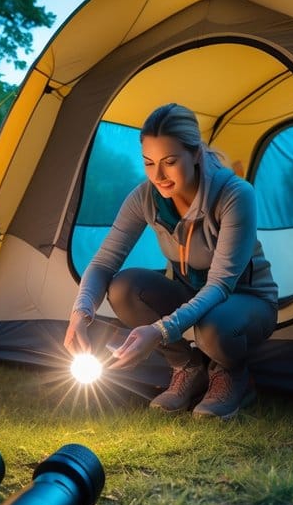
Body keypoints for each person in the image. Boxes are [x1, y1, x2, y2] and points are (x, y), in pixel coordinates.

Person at [64, 103, 278, 420]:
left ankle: (231, 374)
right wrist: (80, 313)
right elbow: (103, 263)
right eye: (149, 163)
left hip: (244, 300)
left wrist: (160, 331)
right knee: (124, 288)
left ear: (195, 154)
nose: (158, 175)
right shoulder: (144, 197)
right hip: (189, 293)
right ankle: (188, 369)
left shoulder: (234, 195)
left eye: (170, 162)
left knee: (212, 327)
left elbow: (220, 284)